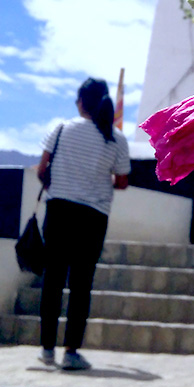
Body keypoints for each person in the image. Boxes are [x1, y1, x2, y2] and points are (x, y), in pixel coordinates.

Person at [36, 77, 130, 370]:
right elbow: (123, 181)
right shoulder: (116, 138)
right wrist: (97, 185)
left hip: (59, 210)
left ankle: (47, 350)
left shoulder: (62, 129)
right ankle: (71, 352)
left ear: (80, 102)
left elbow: (42, 170)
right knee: (81, 285)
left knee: (52, 281)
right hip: (93, 217)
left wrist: (61, 183)